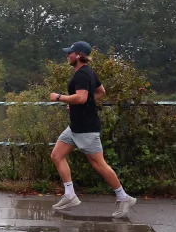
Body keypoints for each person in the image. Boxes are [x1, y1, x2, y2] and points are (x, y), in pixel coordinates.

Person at [48, 41, 136, 218]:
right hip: (75, 127)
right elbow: (100, 91)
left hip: (86, 129)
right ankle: (70, 195)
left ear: (79, 55)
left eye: (70, 53)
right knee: (56, 155)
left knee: (98, 164)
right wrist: (78, 103)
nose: (68, 56)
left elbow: (80, 98)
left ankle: (123, 197)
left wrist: (59, 97)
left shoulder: (82, 74)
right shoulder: (88, 72)